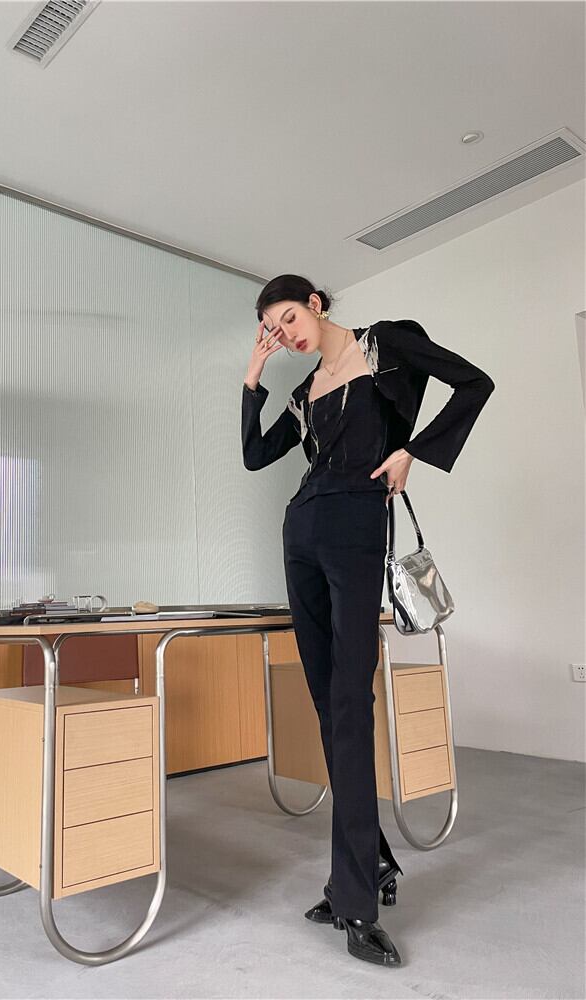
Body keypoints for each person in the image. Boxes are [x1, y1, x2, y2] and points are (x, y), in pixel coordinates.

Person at [241, 274, 495, 968]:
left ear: (315, 304)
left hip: (356, 526)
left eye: (289, 318)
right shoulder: (304, 392)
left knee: (351, 701)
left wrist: (413, 452)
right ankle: (369, 861)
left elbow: (474, 383)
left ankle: (354, 899)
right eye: (274, 329)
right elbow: (255, 455)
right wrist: (254, 376)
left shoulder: (387, 345)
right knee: (330, 706)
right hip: (300, 534)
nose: (286, 333)